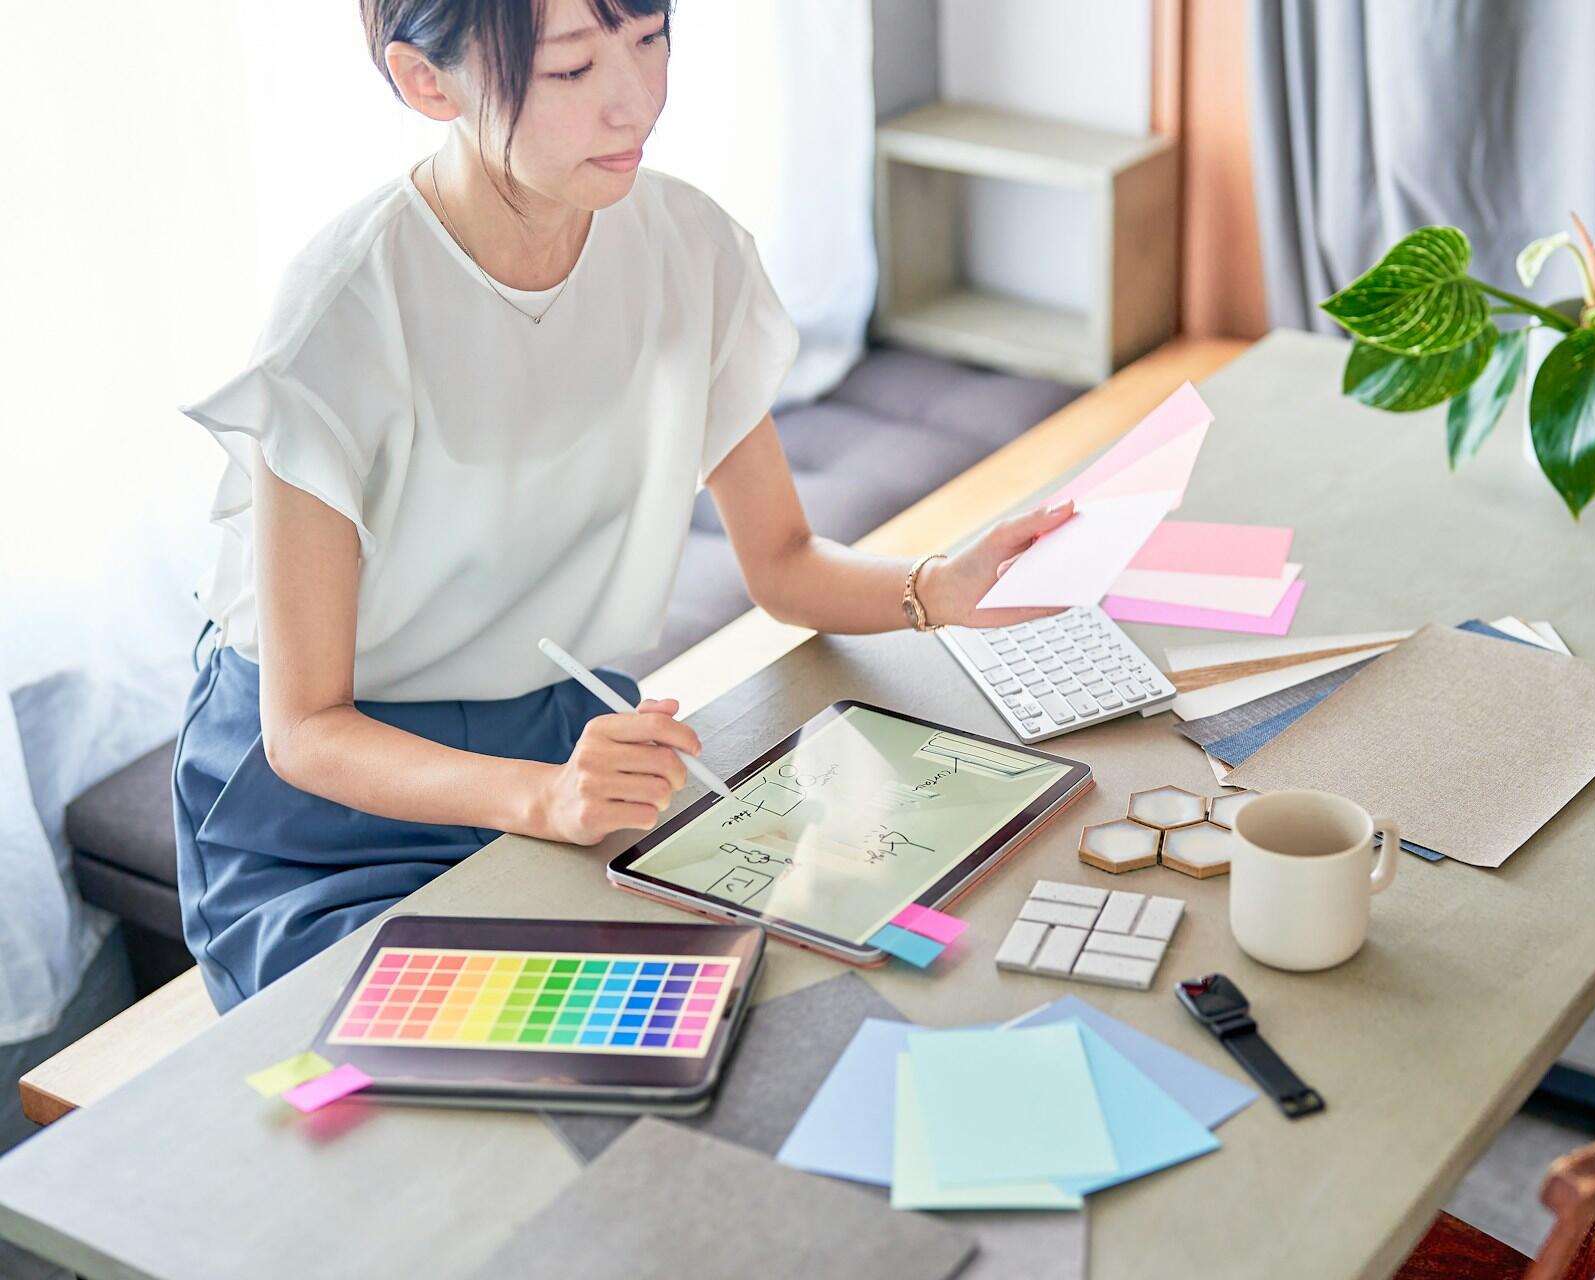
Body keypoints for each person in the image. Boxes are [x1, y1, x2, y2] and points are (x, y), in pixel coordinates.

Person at [172, 0, 1071, 1010]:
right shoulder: (342, 313)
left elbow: (782, 561)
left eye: (650, 40)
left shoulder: (687, 246)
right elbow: (306, 730)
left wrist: (938, 588)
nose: (634, 103)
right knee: (469, 1062)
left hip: (564, 732)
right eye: (570, 69)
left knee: (771, 999)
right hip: (333, 810)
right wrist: (543, 797)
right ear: (428, 81)